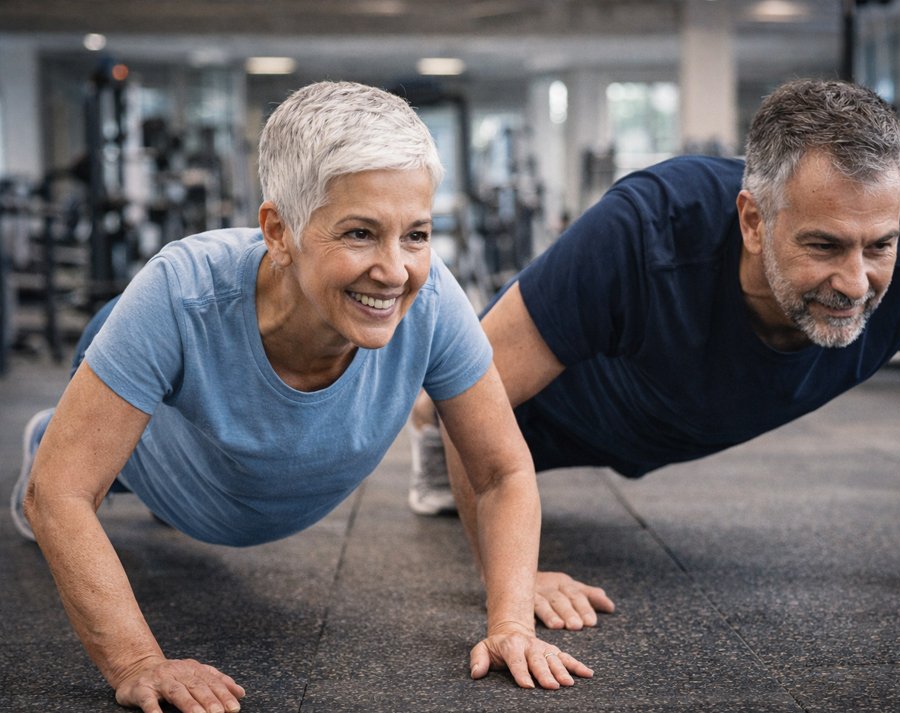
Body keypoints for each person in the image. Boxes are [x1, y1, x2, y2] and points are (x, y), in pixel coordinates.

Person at [11, 81, 591, 713]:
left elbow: (501, 471)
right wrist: (138, 663)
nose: (395, 270)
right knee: (78, 467)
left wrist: (511, 620)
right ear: (278, 232)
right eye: (360, 233)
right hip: (167, 442)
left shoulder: (432, 302)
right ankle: (52, 435)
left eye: (417, 234)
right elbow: (59, 493)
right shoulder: (178, 294)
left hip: (229, 477)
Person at [408, 78, 900, 632]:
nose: (857, 282)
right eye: (824, 246)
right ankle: (426, 429)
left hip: (674, 414)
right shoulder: (644, 231)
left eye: (878, 245)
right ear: (752, 222)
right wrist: (508, 581)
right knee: (446, 397)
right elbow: (480, 386)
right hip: (545, 414)